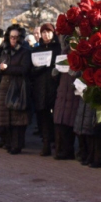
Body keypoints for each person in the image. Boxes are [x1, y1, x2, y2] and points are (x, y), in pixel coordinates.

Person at [0, 24, 32, 154]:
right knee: (7, 119)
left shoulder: (25, 52)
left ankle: (17, 145)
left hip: (18, 87)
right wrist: (0, 68)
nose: (13, 39)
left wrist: (7, 68)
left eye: (16, 37)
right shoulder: (5, 51)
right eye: (11, 37)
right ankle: (9, 143)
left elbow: (24, 69)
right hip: (5, 87)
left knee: (18, 118)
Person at [30, 23, 61, 156]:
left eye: (48, 32)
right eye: (44, 32)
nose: (46, 35)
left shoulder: (57, 48)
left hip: (54, 88)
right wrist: (38, 69)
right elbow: (30, 70)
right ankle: (45, 143)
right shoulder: (36, 50)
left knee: (55, 117)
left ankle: (57, 143)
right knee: (42, 117)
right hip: (40, 88)